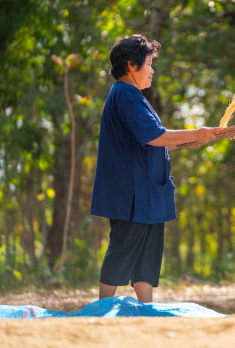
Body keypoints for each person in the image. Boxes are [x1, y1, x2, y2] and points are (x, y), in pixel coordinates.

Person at [90, 34, 224, 303]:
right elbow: (154, 136)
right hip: (132, 193)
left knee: (147, 254)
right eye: (149, 63)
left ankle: (147, 309)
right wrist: (196, 133)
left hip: (148, 193)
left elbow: (151, 143)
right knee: (123, 249)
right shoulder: (125, 94)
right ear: (131, 65)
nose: (152, 71)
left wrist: (190, 140)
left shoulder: (136, 98)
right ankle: (102, 307)